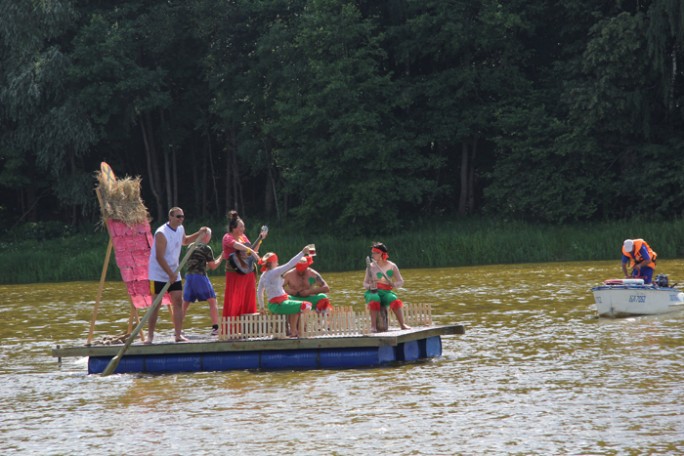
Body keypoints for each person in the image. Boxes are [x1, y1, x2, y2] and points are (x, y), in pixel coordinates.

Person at [147, 207, 208, 344]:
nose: (181, 219)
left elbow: (185, 241)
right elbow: (159, 257)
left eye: (182, 217)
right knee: (156, 305)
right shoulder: (161, 233)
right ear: (171, 217)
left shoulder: (180, 228)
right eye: (178, 216)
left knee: (178, 301)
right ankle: (150, 336)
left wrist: (199, 234)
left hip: (174, 271)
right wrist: (169, 273)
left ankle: (178, 335)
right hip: (158, 274)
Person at [257, 246, 314, 338]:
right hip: (278, 304)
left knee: (295, 306)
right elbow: (290, 264)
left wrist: (262, 307)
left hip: (273, 304)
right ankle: (299, 331)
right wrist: (302, 252)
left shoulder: (263, 275)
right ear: (273, 263)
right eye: (276, 261)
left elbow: (259, 292)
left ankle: (293, 332)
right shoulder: (275, 272)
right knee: (307, 306)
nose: (278, 263)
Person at [222, 210, 264, 318]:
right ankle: (232, 328)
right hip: (234, 272)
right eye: (240, 227)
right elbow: (236, 245)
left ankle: (247, 327)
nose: (243, 229)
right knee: (234, 298)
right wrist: (252, 252)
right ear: (234, 228)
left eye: (243, 227)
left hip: (247, 271)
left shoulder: (243, 237)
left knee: (248, 296)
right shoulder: (227, 237)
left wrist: (260, 239)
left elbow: (251, 249)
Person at [181, 228, 223, 336]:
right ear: (206, 236)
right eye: (210, 235)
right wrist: (221, 257)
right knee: (212, 301)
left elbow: (198, 263)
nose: (210, 238)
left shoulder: (190, 246)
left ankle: (178, 328)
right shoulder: (206, 248)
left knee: (185, 304)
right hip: (200, 277)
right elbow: (213, 266)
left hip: (189, 277)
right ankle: (215, 328)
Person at [364, 242, 411, 332]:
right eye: (372, 253)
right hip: (373, 292)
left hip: (386, 292)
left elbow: (401, 281)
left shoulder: (392, 266)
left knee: (393, 298)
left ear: (381, 253)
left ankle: (402, 324)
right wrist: (369, 286)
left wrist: (394, 284)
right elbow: (364, 283)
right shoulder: (370, 267)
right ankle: (373, 326)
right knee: (374, 298)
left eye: (374, 253)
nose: (372, 255)